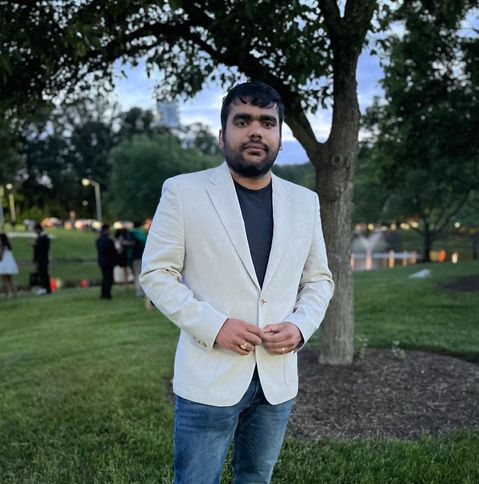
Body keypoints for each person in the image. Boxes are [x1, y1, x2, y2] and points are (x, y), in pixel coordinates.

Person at [140, 81, 334, 484]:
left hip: (277, 379)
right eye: (242, 121)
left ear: (279, 136)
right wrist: (215, 326)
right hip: (208, 376)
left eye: (267, 122)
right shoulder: (183, 192)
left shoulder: (305, 201)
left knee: (256, 477)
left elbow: (318, 280)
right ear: (222, 134)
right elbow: (156, 274)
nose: (255, 131)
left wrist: (300, 327)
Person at [96, 224, 117, 299]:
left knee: (104, 278)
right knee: (109, 278)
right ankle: (107, 294)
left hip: (101, 262)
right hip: (109, 262)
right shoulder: (109, 241)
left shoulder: (98, 240)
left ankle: (103, 294)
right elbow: (113, 251)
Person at [33, 223, 51, 295]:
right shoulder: (44, 237)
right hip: (43, 258)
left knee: (43, 274)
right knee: (43, 273)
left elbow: (40, 248)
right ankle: (46, 288)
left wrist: (34, 245)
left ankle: (44, 288)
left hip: (42, 258)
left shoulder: (42, 237)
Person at [129, 221, 146, 297]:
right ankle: (144, 291)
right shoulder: (142, 234)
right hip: (143, 257)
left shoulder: (132, 233)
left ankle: (139, 292)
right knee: (142, 274)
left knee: (137, 275)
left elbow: (132, 244)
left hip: (135, 257)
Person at [0, 232, 19, 298]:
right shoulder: (8, 245)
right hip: (10, 263)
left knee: (5, 280)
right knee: (10, 280)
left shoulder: (2, 246)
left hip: (4, 263)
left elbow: (1, 255)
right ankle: (15, 293)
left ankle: (9, 293)